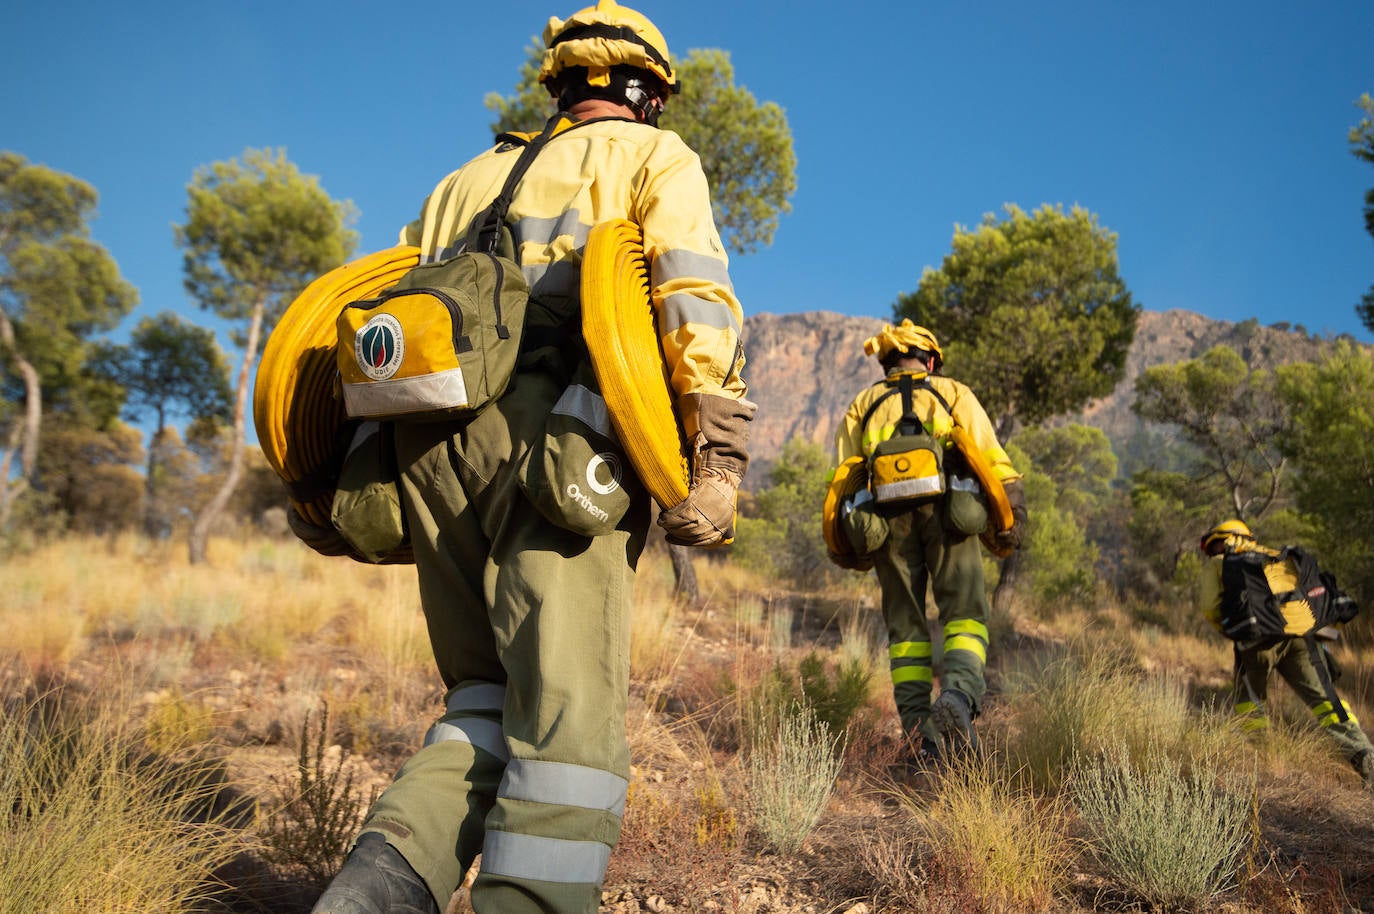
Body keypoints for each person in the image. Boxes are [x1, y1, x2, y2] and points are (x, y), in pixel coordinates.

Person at [310, 3, 755, 912]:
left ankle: (374, 891)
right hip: (556, 445)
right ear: (649, 91)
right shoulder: (651, 157)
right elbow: (691, 298)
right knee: (565, 726)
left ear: (561, 83)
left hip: (426, 451)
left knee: (480, 696)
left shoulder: (462, 181)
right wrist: (719, 458)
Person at [832, 320, 1026, 764]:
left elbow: (842, 476)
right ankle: (958, 696)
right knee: (965, 616)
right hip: (950, 517)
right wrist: (1014, 512)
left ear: (886, 364)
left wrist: (844, 541)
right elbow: (990, 454)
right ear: (931, 360)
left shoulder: (864, 402)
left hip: (886, 524)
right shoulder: (953, 392)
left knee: (906, 633)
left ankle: (922, 739)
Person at [1196, 520, 1374, 787]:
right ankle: (1363, 753)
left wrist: (1233, 631)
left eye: (1214, 546)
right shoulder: (1276, 555)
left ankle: (1263, 763)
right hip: (1300, 638)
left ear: (1224, 539)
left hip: (1254, 643)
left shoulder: (1220, 563)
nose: (1214, 552)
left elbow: (1209, 607)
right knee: (1327, 701)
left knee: (1249, 704)